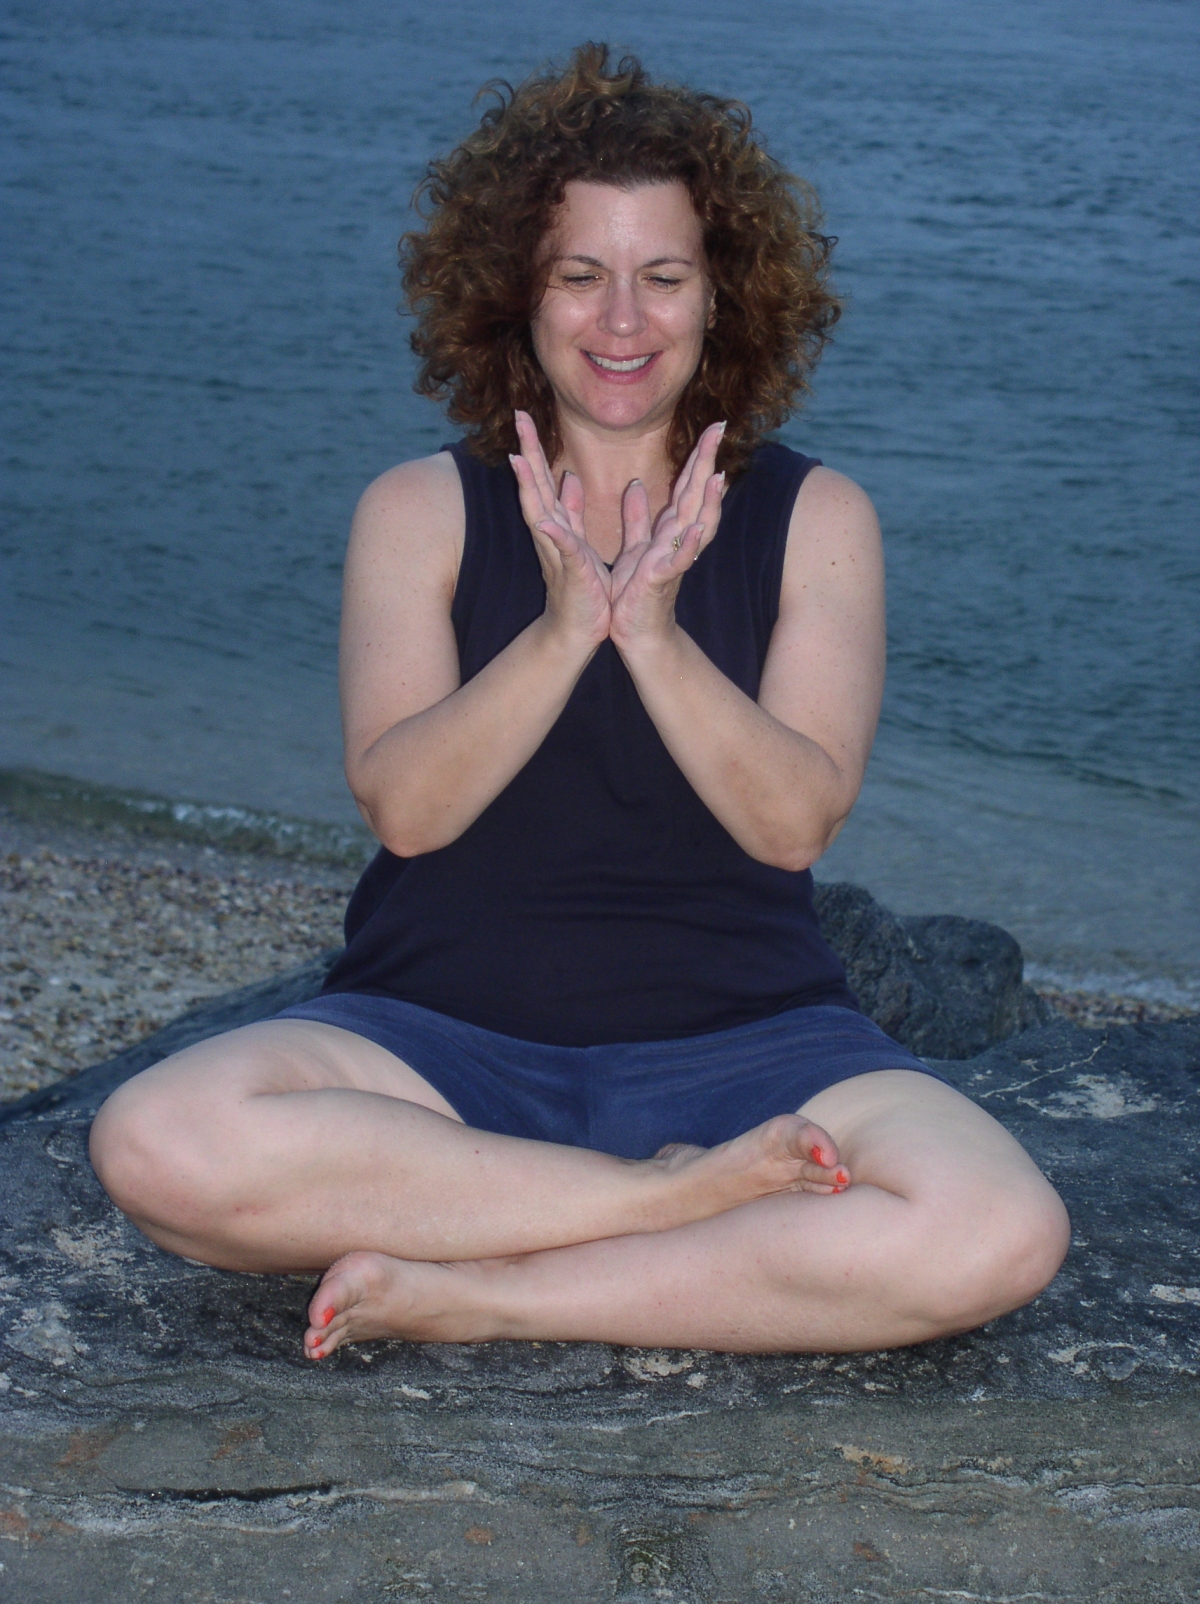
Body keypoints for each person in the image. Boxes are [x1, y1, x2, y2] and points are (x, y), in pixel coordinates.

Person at [89, 44, 1069, 1360]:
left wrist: (653, 635)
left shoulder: (818, 520)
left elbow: (793, 826)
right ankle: (655, 1206)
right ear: (518, 295)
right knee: (155, 1144)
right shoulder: (417, 512)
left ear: (722, 298)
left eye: (663, 278)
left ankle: (488, 1289)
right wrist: (564, 628)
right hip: (433, 1042)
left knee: (1002, 1230)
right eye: (581, 277)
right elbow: (410, 811)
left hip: (753, 1040)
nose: (622, 323)